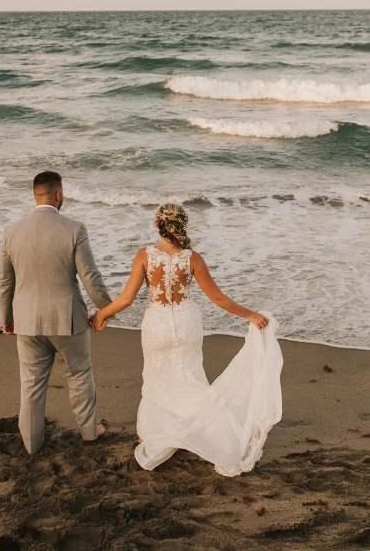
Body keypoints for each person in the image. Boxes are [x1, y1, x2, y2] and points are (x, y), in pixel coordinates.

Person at [91, 203, 283, 476]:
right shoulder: (193, 258)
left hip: (156, 324)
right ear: (183, 225)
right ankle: (202, 432)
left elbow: (126, 299)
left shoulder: (144, 255)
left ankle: (154, 435)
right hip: (186, 324)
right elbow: (217, 298)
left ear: (158, 225)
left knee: (157, 379)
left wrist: (101, 315)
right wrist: (250, 315)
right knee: (189, 379)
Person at [0, 171, 112, 454]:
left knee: (32, 385)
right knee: (80, 375)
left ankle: (32, 445)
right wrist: (107, 309)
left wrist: (6, 319)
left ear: (35, 195)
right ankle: (89, 433)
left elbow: (4, 281)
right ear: (59, 195)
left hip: (27, 322)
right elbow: (91, 278)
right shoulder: (74, 229)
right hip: (67, 320)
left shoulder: (11, 231)